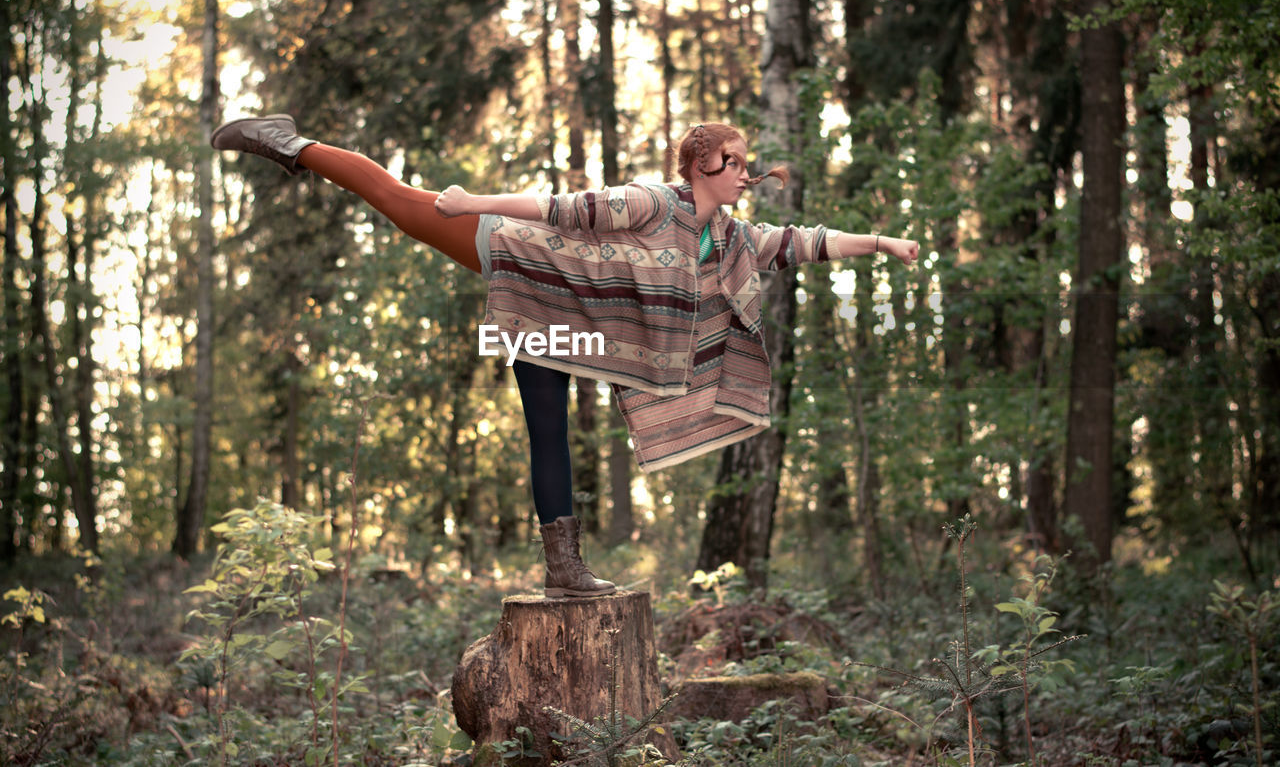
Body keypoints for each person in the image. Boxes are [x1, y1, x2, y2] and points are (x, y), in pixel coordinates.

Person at [210, 115, 919, 597]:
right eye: (732, 163)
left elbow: (803, 242)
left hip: (559, 318)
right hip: (521, 259)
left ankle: (563, 565)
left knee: (547, 425)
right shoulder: (652, 202)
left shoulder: (730, 240)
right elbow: (568, 207)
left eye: (744, 165)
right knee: (397, 199)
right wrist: (469, 202)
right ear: (701, 164)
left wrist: (881, 244)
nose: (743, 173)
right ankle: (291, 144)